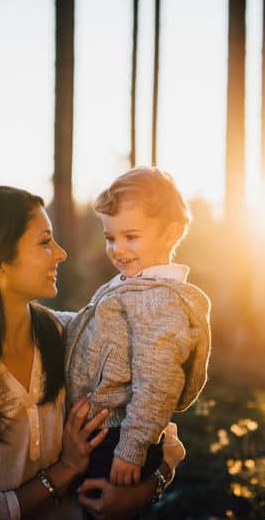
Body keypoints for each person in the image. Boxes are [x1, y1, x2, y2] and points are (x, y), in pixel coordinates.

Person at [0, 185, 183, 519]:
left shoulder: (73, 336)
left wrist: (145, 491)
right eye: (44, 242)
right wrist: (65, 469)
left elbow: (162, 432)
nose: (61, 253)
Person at [65, 167, 211, 489]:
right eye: (110, 238)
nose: (117, 248)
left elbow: (158, 381)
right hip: (100, 433)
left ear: (170, 234)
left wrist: (131, 450)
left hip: (116, 441)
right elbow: (93, 324)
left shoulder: (159, 301)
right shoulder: (133, 284)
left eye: (131, 237)